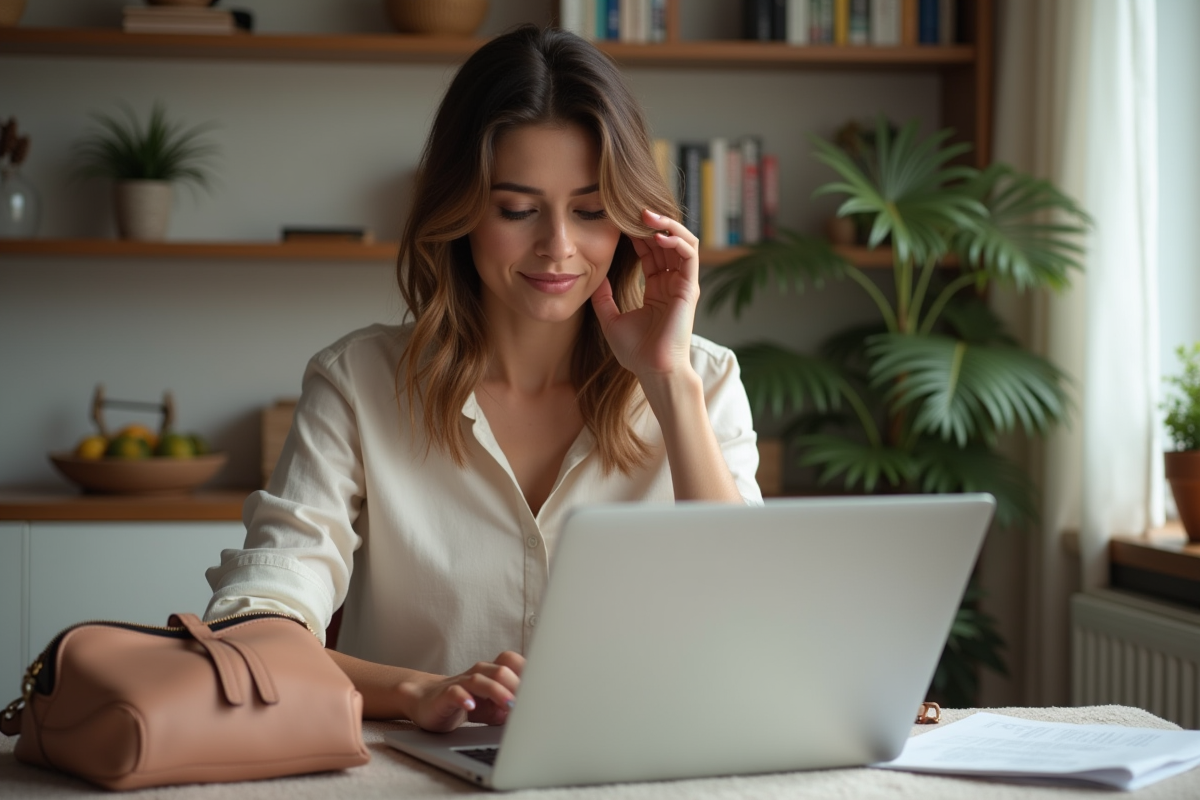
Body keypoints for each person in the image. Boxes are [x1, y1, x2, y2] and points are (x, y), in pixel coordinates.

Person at [204, 24, 762, 734]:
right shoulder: (358, 383)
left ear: (631, 219)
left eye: (590, 211)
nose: (557, 246)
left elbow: (750, 628)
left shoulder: (703, 380)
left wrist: (669, 383)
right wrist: (419, 691)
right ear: (461, 209)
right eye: (517, 209)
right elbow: (254, 629)